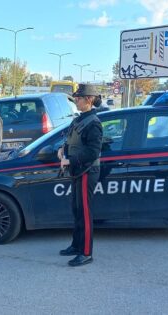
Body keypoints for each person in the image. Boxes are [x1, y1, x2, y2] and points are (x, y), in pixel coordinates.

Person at [57, 84, 103, 267]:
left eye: (79, 97)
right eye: (75, 97)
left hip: (86, 171)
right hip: (77, 171)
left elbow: (93, 152)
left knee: (84, 213)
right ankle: (76, 246)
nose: (75, 100)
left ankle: (86, 253)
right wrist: (62, 150)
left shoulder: (94, 123)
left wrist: (70, 161)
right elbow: (70, 139)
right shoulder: (79, 119)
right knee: (76, 210)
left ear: (89, 99)